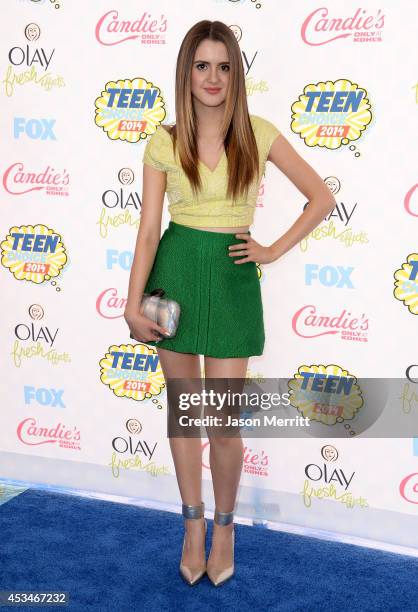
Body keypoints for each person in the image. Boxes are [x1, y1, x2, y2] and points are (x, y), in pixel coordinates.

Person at [124, 20, 336, 587]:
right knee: (183, 415)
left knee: (221, 423)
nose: (212, 77)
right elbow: (148, 232)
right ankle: (191, 526)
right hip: (173, 278)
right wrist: (132, 302)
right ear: (185, 72)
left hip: (233, 281)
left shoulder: (258, 134)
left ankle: (224, 528)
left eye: (223, 66)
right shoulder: (162, 141)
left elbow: (322, 197)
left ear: (235, 74)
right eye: (201, 65)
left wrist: (269, 250)